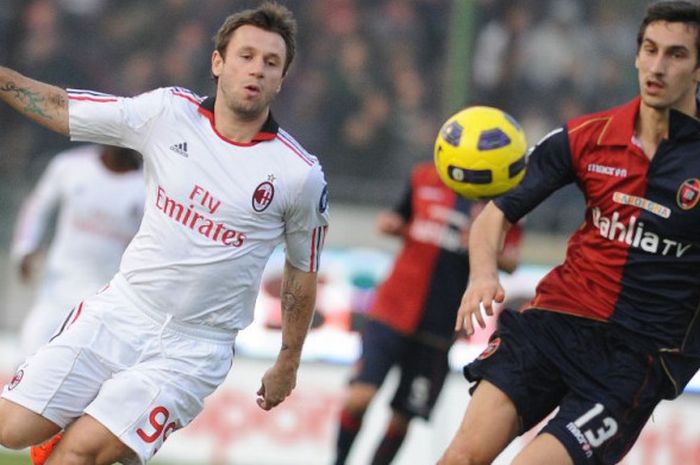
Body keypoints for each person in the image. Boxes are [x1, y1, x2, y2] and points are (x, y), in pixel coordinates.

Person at [0, 2, 329, 465]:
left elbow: (301, 272)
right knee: (12, 428)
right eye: (246, 55)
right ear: (218, 62)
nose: (256, 69)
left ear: (282, 78)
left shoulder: (299, 175)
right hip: (120, 311)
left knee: (82, 453)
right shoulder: (167, 114)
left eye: (271, 62)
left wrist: (288, 361)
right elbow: (61, 107)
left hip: (192, 349)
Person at [438, 2, 700, 465]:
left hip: (633, 359)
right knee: (460, 458)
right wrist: (482, 274)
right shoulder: (587, 135)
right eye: (650, 49)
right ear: (636, 54)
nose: (658, 66)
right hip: (553, 325)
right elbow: (496, 215)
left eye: (676, 55)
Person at [333, 161, 522, 465]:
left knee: (402, 417)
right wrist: (391, 224)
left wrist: (483, 246)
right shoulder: (424, 177)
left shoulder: (503, 200)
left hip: (438, 327)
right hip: (391, 312)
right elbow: (398, 216)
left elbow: (513, 260)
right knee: (359, 398)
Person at [11, 144, 144, 361]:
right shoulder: (71, 165)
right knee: (30, 353)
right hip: (58, 284)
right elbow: (37, 206)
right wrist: (25, 248)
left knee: (82, 364)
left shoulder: (149, 185)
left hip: (106, 293)